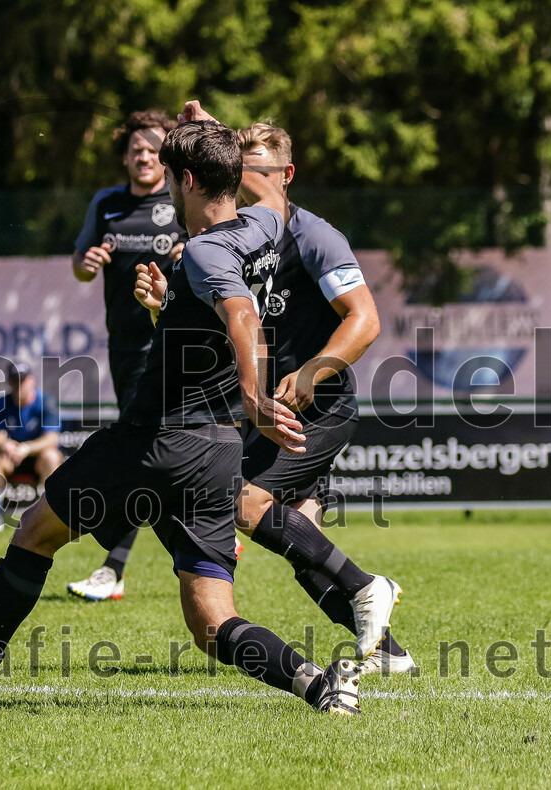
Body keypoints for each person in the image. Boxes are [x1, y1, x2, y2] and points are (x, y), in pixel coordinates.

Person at [0, 120, 367, 716]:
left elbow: (242, 316)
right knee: (213, 622)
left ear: (187, 179)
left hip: (149, 443)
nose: (164, 186)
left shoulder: (207, 250)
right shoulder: (268, 226)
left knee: (35, 533)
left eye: (170, 175)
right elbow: (252, 226)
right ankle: (319, 686)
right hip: (214, 454)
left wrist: (254, 393)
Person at [226, 116, 413, 675]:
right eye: (238, 168)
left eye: (256, 167)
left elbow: (366, 320)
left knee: (242, 501)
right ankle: (387, 653)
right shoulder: (236, 241)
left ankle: (367, 585)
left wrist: (310, 374)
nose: (243, 177)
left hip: (320, 406)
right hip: (274, 412)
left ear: (285, 174)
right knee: (300, 540)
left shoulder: (312, 235)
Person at [67, 109, 187, 601]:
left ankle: (113, 567)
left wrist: (188, 253)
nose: (143, 155)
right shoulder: (107, 203)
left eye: (152, 148)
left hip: (172, 337)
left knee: (140, 446)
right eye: (135, 148)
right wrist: (88, 262)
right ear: (125, 157)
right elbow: (78, 265)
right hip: (123, 344)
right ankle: (210, 521)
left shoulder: (181, 198)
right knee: (158, 446)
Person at [0, 361, 62, 532]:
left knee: (51, 456)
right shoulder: (1, 403)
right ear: (8, 382)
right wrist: (6, 444)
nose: (19, 385)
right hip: (13, 458)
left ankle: (50, 516)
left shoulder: (46, 401)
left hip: (36, 457)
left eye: (22, 380)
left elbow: (51, 439)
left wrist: (26, 448)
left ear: (31, 381)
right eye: (14, 380)